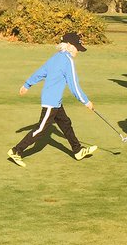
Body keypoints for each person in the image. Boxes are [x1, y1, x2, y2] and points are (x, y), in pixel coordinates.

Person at [6, 33, 97, 167]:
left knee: (65, 123)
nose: (78, 50)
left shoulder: (56, 57)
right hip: (51, 102)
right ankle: (16, 151)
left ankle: (78, 150)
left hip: (55, 101)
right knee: (41, 129)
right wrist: (86, 101)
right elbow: (74, 85)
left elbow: (41, 72)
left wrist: (27, 84)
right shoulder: (68, 61)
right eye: (77, 47)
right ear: (70, 46)